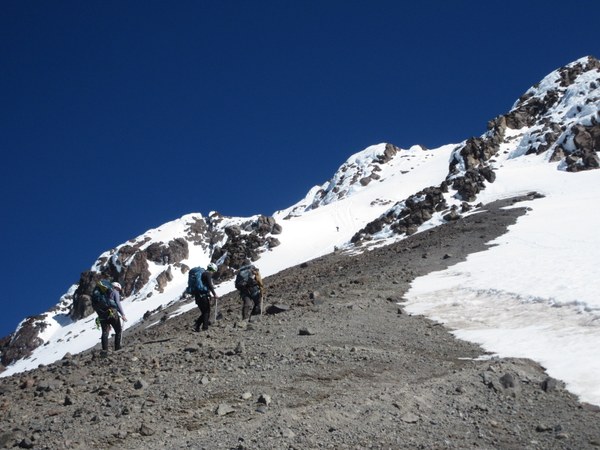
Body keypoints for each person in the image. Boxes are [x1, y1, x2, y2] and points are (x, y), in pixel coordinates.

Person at [98, 281, 127, 352]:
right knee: (118, 330)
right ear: (116, 287)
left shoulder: (103, 294)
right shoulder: (115, 292)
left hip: (102, 314)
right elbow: (117, 303)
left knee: (105, 332)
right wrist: (122, 314)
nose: (118, 291)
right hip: (112, 312)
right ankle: (117, 348)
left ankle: (104, 351)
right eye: (118, 289)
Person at [193, 263, 219, 332]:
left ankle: (196, 326)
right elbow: (210, 285)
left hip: (198, 296)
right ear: (212, 270)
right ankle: (205, 328)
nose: (213, 273)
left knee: (204, 312)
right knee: (206, 312)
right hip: (203, 296)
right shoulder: (208, 274)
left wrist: (209, 295)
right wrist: (214, 294)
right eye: (214, 271)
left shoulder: (203, 274)